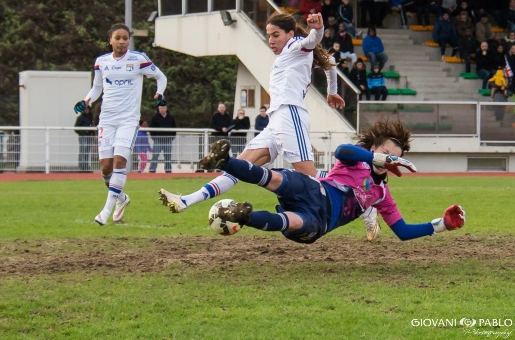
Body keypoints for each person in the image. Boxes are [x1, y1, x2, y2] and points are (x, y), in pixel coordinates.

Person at [160, 12, 350, 225]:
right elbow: (330, 61)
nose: (271, 40)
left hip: (290, 114)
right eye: (268, 35)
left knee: (308, 174)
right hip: (276, 120)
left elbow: (313, 40)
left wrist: (318, 29)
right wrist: (331, 91)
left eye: (276, 35)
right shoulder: (291, 53)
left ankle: (357, 194)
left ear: (290, 33)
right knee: (239, 167)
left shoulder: (296, 45)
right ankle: (186, 200)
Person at [198, 120, 465, 245]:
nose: (388, 159)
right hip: (317, 190)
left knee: (295, 221)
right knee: (280, 179)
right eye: (385, 153)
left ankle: (243, 216)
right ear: (374, 149)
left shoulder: (382, 195)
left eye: (394, 158)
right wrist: (376, 157)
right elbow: (342, 151)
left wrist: (442, 225)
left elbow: (403, 232)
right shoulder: (355, 161)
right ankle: (224, 161)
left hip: (322, 221)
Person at [74, 23, 167, 225]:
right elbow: (97, 87)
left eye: (125, 38)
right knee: (105, 168)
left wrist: (159, 93)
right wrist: (87, 99)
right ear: (110, 40)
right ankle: (122, 198)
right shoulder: (101, 62)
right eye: (118, 38)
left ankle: (105, 212)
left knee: (119, 162)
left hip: (128, 120)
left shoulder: (138, 59)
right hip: (106, 119)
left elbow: (161, 77)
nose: (122, 41)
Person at [149, 104, 177, 174]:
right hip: (158, 139)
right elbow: (151, 129)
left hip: (168, 139)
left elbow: (174, 128)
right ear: (158, 109)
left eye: (163, 108)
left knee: (168, 155)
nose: (162, 109)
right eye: (160, 108)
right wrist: (154, 137)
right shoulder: (155, 118)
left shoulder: (171, 118)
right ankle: (152, 170)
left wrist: (172, 137)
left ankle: (168, 170)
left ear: (166, 108)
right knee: (155, 155)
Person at [74, 104, 95, 172]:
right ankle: (81, 167)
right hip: (83, 137)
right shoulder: (80, 118)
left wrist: (92, 133)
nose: (87, 110)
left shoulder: (90, 117)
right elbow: (76, 128)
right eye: (85, 109)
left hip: (89, 137)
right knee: (82, 151)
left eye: (87, 109)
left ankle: (86, 166)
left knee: (87, 152)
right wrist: (83, 133)